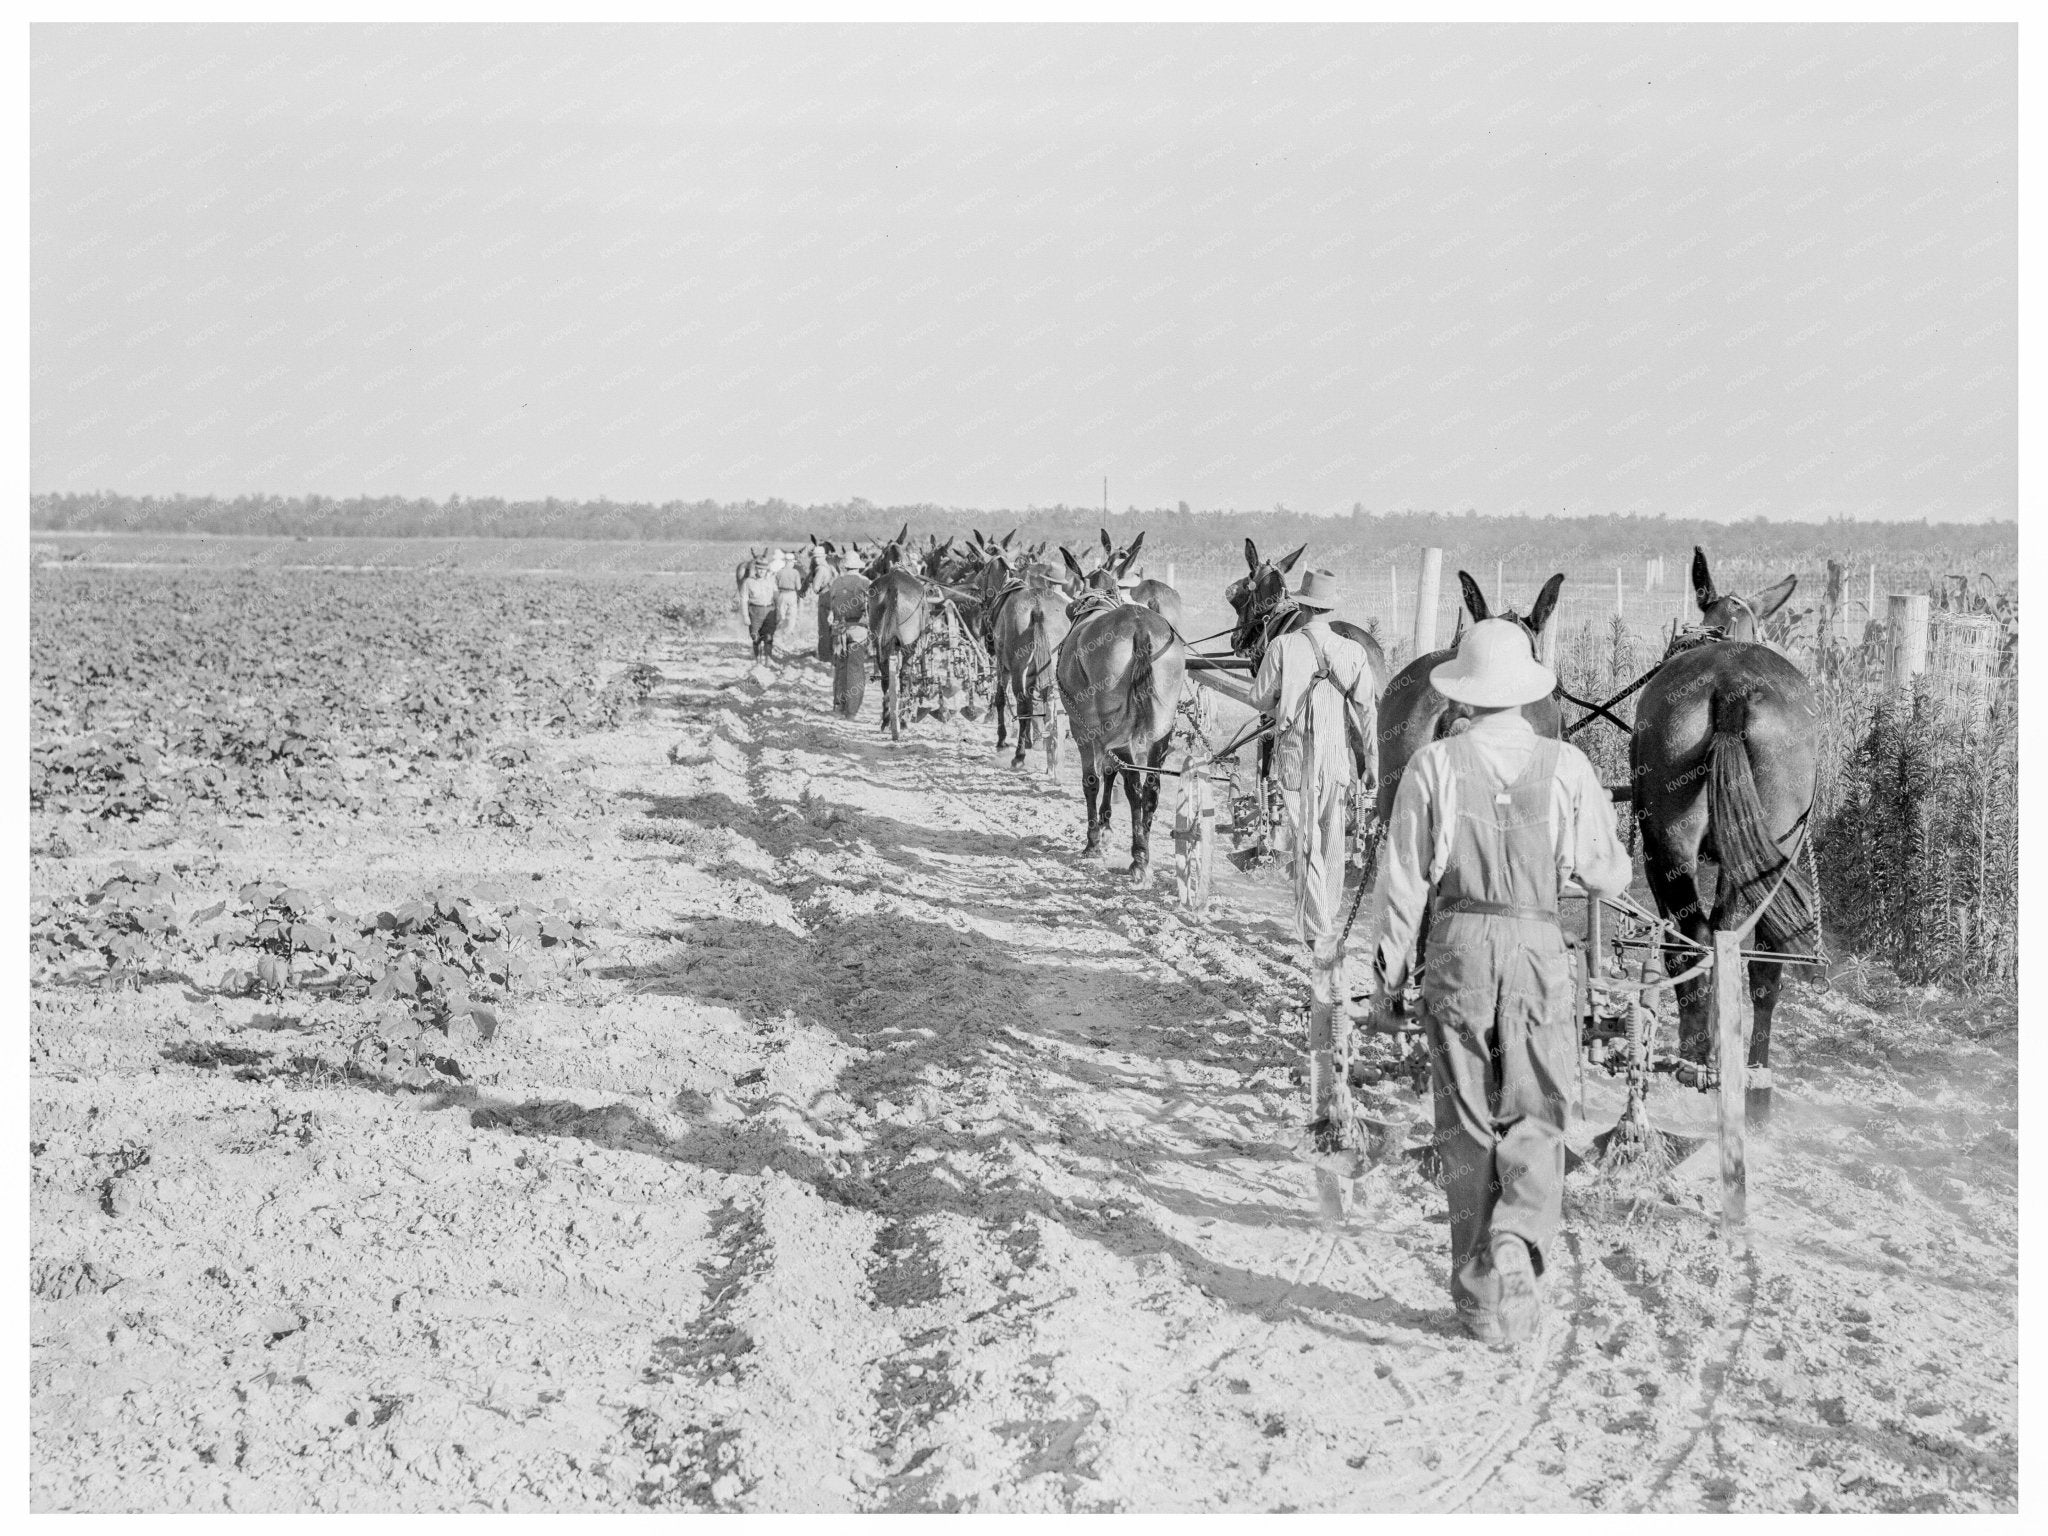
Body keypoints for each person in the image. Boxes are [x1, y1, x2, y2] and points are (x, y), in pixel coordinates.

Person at [1360, 618, 1630, 1348]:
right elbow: (1609, 874)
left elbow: (1403, 882)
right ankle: (1518, 1235)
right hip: (1539, 942)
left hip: (1458, 946)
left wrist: (1387, 972)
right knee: (1539, 1109)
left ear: (1464, 694)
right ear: (1525, 692)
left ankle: (1479, 1302)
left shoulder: (1434, 765)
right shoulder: (1568, 763)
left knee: (1466, 1123)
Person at [1248, 568, 1379, 1156]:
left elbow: (1260, 700)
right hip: (1340, 765)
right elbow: (1369, 714)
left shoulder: (1282, 646)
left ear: (1301, 605)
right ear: (1333, 608)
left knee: (1305, 853)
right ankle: (1327, 926)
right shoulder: (1351, 652)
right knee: (1331, 843)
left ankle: (1319, 933)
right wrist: (1372, 764)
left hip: (1297, 757)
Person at [740, 559, 778, 660]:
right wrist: (745, 616)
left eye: (764, 569)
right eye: (759, 569)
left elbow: (776, 597)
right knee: (755, 637)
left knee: (768, 637)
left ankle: (768, 659)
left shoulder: (771, 581)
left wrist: (779, 613)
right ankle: (757, 659)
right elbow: (744, 599)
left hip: (769, 610)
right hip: (754, 612)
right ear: (756, 569)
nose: (761, 571)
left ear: (767, 570)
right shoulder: (748, 582)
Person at [772, 552, 801, 646]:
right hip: (792, 594)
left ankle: (778, 636)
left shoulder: (779, 572)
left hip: (782, 594)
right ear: (791, 562)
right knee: (792, 617)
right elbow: (799, 587)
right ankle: (787, 636)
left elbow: (774, 585)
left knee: (781, 616)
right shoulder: (795, 572)